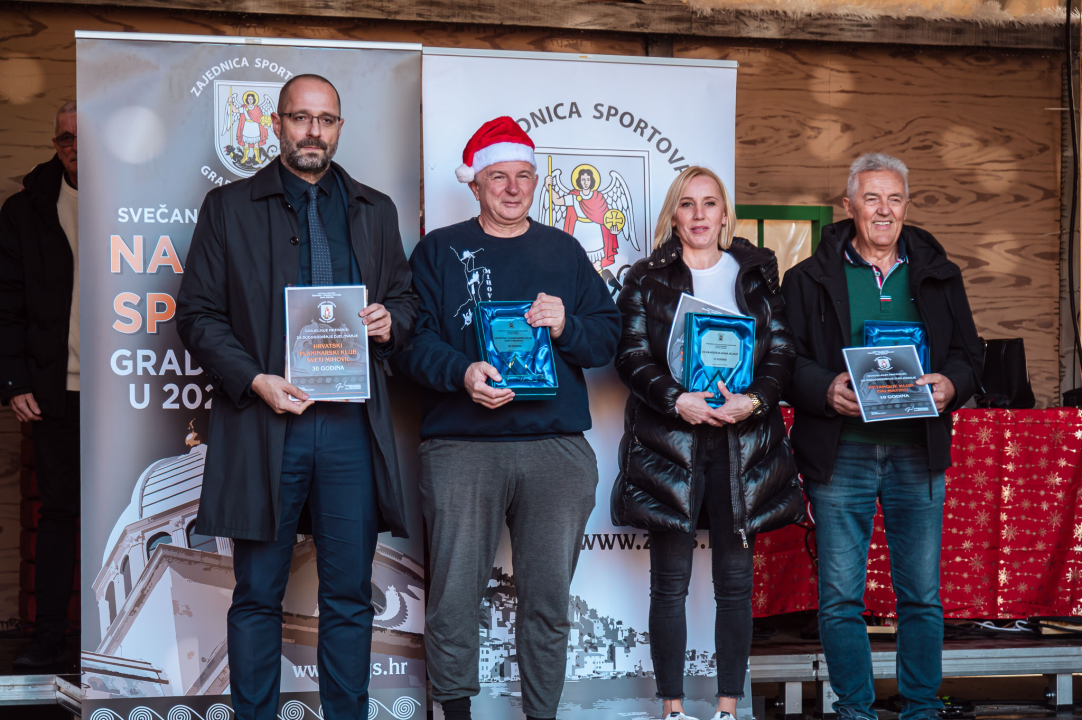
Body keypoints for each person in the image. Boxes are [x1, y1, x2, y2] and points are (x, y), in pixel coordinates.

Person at [175, 74, 417, 720]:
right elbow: (196, 315)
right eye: (300, 118)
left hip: (348, 430)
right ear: (276, 123)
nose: (314, 131)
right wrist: (255, 379)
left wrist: (391, 320)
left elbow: (408, 300)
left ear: (340, 128)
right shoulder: (227, 209)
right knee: (257, 593)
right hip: (264, 424)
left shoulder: (375, 209)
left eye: (326, 120)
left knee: (349, 595)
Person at [397, 116, 621, 720]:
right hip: (462, 446)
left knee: (548, 600)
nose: (513, 187)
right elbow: (408, 345)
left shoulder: (564, 251)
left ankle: (541, 716)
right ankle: (457, 715)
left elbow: (605, 341)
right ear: (476, 184)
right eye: (499, 176)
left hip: (554, 448)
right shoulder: (438, 251)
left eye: (524, 176)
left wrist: (566, 325)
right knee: (452, 596)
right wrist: (463, 373)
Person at [782, 153, 983, 720]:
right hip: (839, 454)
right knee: (841, 598)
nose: (883, 210)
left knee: (921, 596)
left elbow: (972, 355)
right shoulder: (807, 279)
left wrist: (951, 384)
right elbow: (783, 360)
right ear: (848, 207)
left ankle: (921, 707)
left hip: (916, 455)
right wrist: (824, 389)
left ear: (906, 207)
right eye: (871, 198)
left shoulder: (939, 275)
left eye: (894, 199)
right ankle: (855, 709)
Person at [610, 166, 804, 720]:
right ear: (673, 214)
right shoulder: (648, 278)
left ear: (725, 213)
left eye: (710, 204)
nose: (699, 215)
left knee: (734, 586)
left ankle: (726, 709)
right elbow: (630, 356)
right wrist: (677, 400)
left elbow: (783, 353)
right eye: (688, 204)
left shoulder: (755, 273)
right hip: (672, 443)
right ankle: (672, 708)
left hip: (742, 446)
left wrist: (757, 401)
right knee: (668, 586)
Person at [0, 101, 81, 669]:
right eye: (64, 138)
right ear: (55, 144)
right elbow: (5, 306)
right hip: (59, 389)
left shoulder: (141, 200)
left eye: (83, 137)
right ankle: (49, 637)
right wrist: (14, 380)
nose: (74, 146)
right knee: (58, 514)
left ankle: (133, 635)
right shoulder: (25, 209)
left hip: (133, 388)